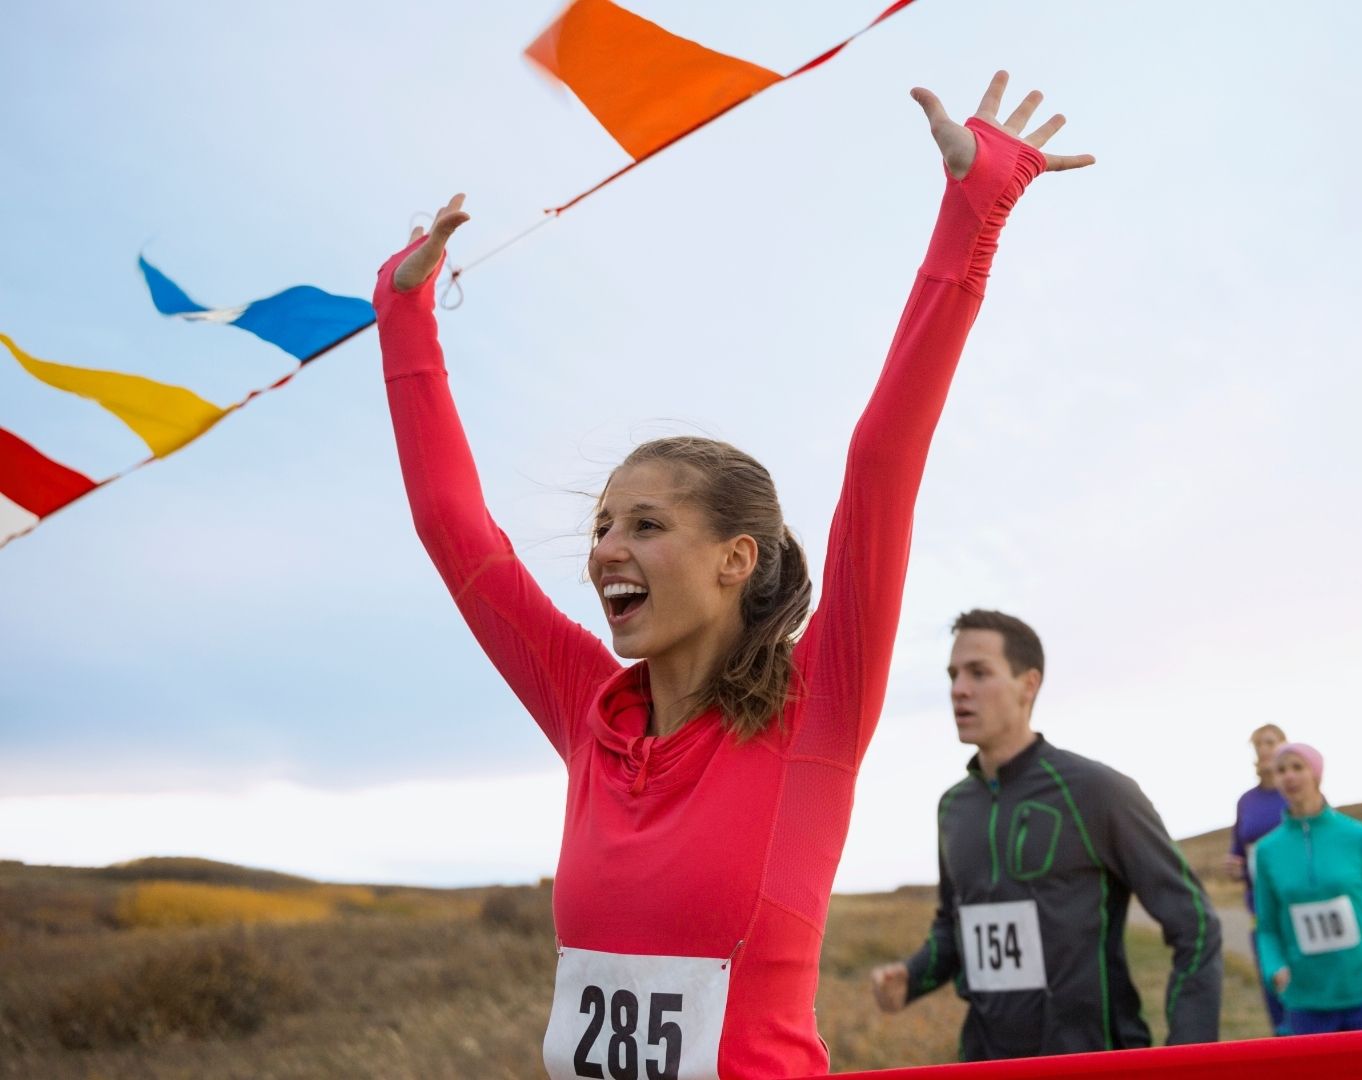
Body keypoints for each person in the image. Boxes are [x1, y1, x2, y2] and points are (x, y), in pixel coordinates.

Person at [373, 73, 1094, 1080]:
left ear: (735, 560)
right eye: (601, 525)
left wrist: (972, 216)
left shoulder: (818, 709)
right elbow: (452, 526)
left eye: (646, 525)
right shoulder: (587, 709)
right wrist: (404, 314)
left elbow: (882, 459)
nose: (605, 550)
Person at [869, 610, 1222, 1058]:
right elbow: (954, 924)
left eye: (979, 672)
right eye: (953, 674)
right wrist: (913, 975)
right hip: (984, 1061)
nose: (958, 689)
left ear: (1028, 684)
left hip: (1094, 1060)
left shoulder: (1097, 791)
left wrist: (1188, 1056)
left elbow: (1194, 923)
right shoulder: (954, 807)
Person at [1252, 743, 1362, 1035]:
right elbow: (1268, 927)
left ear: (1316, 774)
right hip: (1306, 1002)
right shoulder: (1267, 851)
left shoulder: (1361, 838)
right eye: (1281, 770)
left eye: (1298, 767)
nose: (1289, 776)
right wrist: (1274, 966)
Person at [1225, 723, 1289, 1032]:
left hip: (1299, 906)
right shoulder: (1245, 801)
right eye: (1257, 744)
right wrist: (1236, 867)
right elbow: (1237, 850)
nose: (1263, 749)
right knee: (1274, 989)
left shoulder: (1298, 793)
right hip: (1260, 911)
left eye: (1270, 742)